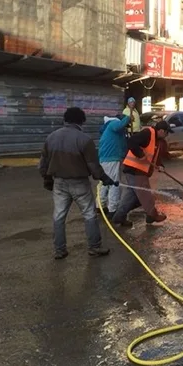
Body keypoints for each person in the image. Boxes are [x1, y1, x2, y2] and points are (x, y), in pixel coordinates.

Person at [39, 107, 118, 260]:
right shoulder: (84, 140)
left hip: (59, 183)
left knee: (59, 216)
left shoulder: (51, 137)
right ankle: (94, 247)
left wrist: (47, 179)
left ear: (65, 120)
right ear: (81, 121)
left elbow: (43, 164)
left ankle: (59, 250)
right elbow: (93, 166)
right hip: (79, 183)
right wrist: (105, 179)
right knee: (89, 214)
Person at [111, 120, 173, 226]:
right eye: (167, 132)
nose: (167, 135)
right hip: (135, 170)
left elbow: (154, 155)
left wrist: (160, 166)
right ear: (162, 131)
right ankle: (152, 215)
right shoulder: (148, 133)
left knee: (132, 197)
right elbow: (131, 141)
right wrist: (140, 154)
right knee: (145, 193)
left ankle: (119, 217)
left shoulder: (156, 139)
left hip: (135, 170)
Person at [97, 114, 131, 218]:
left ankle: (100, 206)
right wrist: (128, 117)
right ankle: (113, 210)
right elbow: (120, 125)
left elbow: (124, 145)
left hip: (106, 159)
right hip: (111, 158)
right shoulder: (114, 123)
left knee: (105, 183)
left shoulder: (110, 130)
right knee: (114, 184)